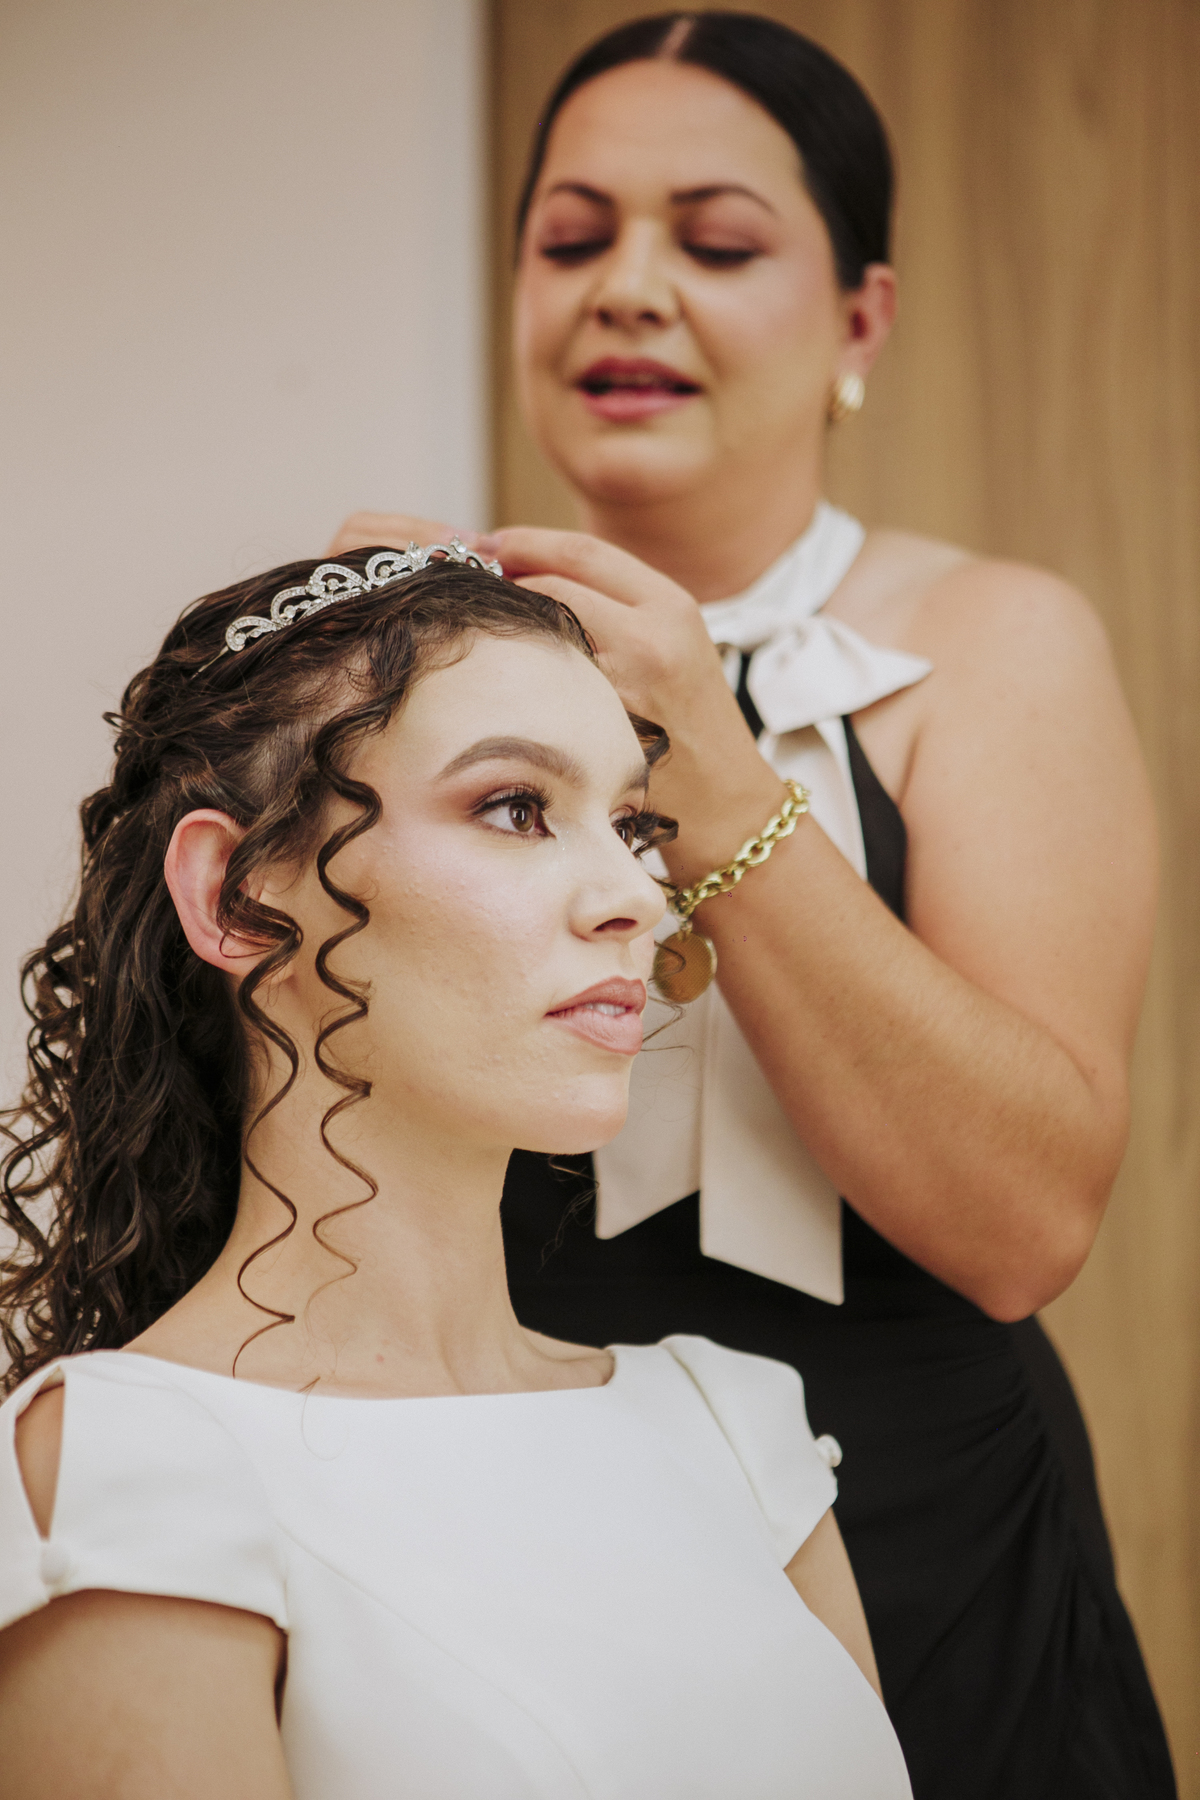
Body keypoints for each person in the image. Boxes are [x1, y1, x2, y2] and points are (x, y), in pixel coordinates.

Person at [328, 13, 1175, 1799]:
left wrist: (707, 759)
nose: (628, 290)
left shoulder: (992, 646)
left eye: (714, 244)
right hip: (515, 1502)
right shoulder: (401, 657)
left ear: (859, 321)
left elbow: (1023, 1225)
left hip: (926, 1527)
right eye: (572, 239)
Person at [0, 543, 911, 1798]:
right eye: (515, 808)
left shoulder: (730, 1425)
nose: (638, 899)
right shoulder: (130, 1460)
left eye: (633, 825)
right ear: (238, 897)